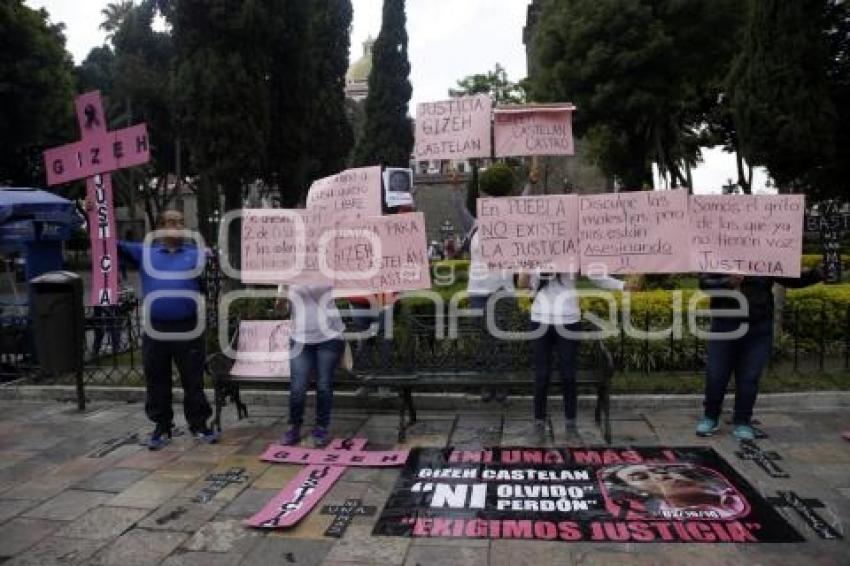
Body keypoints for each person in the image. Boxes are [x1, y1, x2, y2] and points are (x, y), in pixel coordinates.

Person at [111, 208, 217, 449]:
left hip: (188, 327)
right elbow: (107, 244)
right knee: (157, 379)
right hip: (156, 328)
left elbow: (214, 274)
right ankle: (162, 426)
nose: (177, 226)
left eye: (181, 222)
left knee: (193, 378)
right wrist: (93, 216)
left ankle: (199, 424)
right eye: (171, 222)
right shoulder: (145, 253)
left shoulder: (196, 254)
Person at [696, 270, 823, 440]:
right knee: (716, 374)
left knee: (750, 376)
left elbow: (791, 278)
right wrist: (728, 282)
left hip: (758, 324)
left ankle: (742, 421)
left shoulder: (766, 255)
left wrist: (818, 273)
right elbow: (705, 284)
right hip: (724, 324)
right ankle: (710, 416)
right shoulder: (720, 252)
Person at [517, 271, 627, 437]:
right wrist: (527, 268)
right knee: (541, 374)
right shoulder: (534, 249)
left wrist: (622, 285)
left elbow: (595, 275)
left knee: (568, 374)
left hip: (568, 320)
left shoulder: (573, 252)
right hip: (540, 319)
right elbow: (522, 284)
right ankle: (539, 420)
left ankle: (571, 422)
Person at [277, 283, 345, 447]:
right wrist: (280, 302)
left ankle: (321, 427)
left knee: (323, 384)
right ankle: (294, 426)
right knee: (298, 386)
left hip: (329, 337)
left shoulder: (328, 268)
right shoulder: (287, 274)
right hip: (300, 339)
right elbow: (282, 309)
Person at [598, 463, 749, 520]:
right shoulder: (656, 513)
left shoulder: (730, 494)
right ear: (638, 491)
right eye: (641, 477)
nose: (661, 475)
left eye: (657, 470)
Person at [467, 223, 515, 402]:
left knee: (500, 340)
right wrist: (456, 195)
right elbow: (459, 207)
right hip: (478, 292)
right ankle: (486, 383)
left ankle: (501, 384)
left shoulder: (510, 220)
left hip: (502, 291)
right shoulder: (473, 225)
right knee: (483, 340)